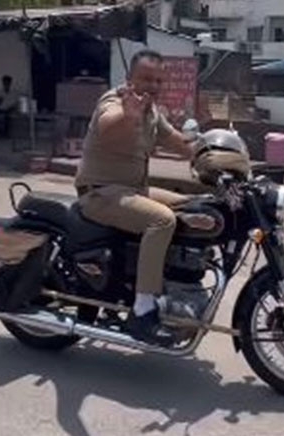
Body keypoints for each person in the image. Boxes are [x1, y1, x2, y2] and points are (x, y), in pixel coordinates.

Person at [74, 50, 202, 346]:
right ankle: (143, 309)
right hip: (100, 193)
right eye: (146, 79)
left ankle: (174, 279)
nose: (153, 85)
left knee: (195, 208)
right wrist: (127, 115)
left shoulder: (151, 113)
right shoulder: (114, 101)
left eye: (158, 80)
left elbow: (178, 143)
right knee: (162, 220)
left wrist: (211, 151)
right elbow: (107, 125)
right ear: (129, 79)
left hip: (132, 191)